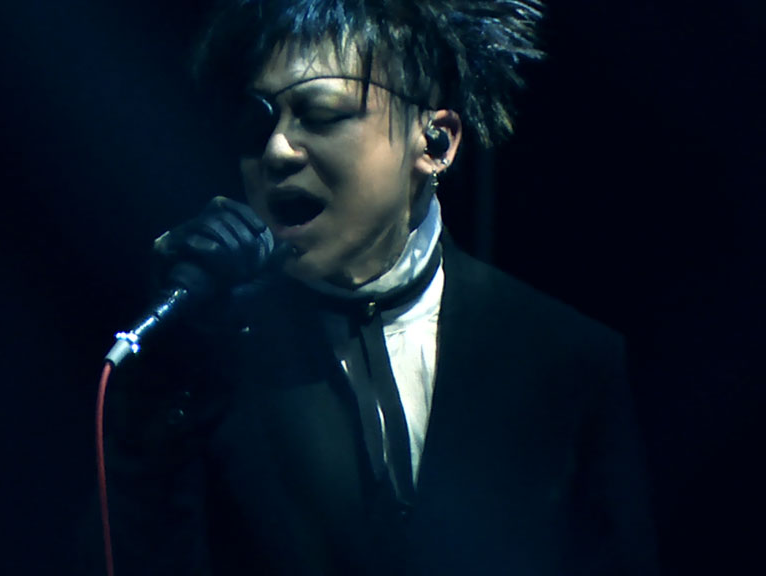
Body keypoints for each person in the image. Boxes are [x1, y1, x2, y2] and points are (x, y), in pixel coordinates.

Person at [90, 1, 658, 575]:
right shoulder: (211, 361)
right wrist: (167, 378)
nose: (277, 150)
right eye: (258, 121)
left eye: (321, 114)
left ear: (435, 142)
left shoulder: (566, 357)